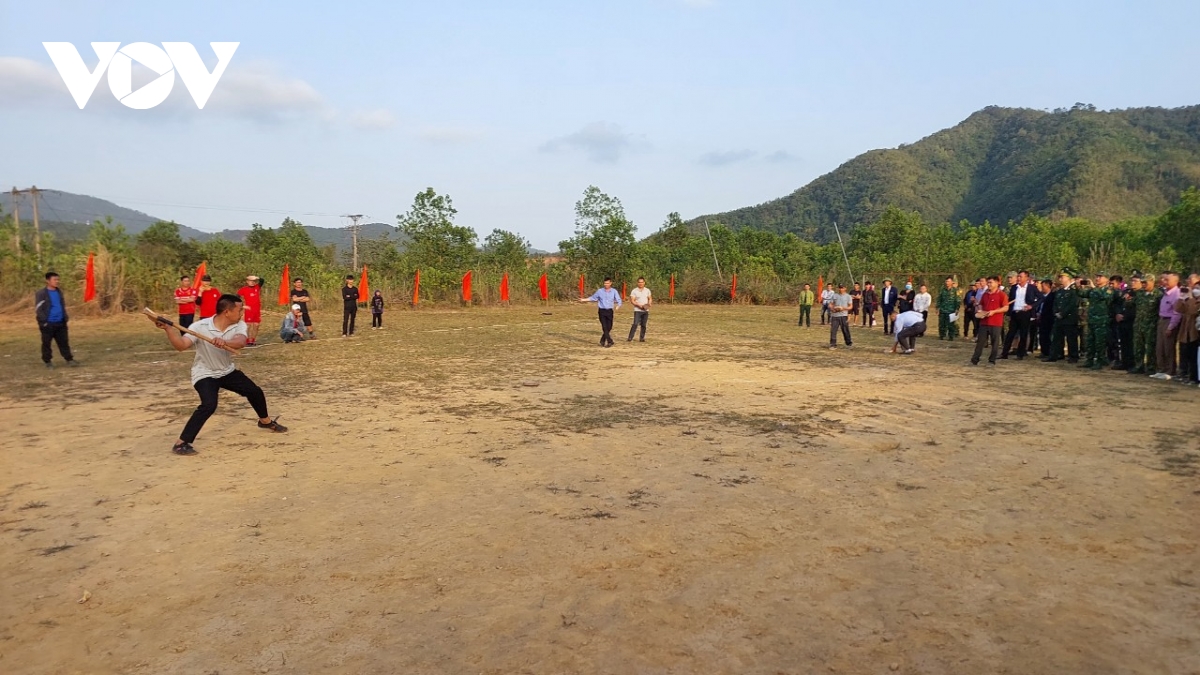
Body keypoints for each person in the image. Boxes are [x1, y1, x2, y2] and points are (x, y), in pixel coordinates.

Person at [149, 293, 287, 456]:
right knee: (209, 405)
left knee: (254, 391)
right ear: (227, 312)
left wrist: (225, 342)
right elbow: (181, 346)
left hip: (226, 371)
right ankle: (181, 443)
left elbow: (241, 341)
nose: (241, 313)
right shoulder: (199, 327)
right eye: (239, 309)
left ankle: (265, 421)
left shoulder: (239, 325)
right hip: (205, 373)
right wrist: (169, 329)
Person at [35, 271, 77, 369]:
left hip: (60, 322)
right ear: (48, 281)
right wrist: (44, 321)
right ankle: (47, 361)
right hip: (48, 323)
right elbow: (38, 309)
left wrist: (65, 317)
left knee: (64, 342)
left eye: (58, 279)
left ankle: (69, 359)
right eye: (55, 280)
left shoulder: (59, 292)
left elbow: (62, 305)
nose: (57, 281)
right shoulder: (41, 293)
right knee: (46, 343)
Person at [1000, 270, 1042, 360]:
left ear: (1027, 278)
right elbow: (1011, 299)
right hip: (1015, 313)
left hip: (1025, 313)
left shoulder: (1032, 288)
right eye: (1018, 276)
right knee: (1010, 334)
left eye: (1021, 276)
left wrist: (1032, 306)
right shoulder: (1014, 287)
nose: (1019, 278)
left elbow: (1041, 298)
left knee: (1023, 334)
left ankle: (1020, 354)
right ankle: (1004, 353)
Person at [1076, 272, 1114, 370]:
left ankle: (1100, 361)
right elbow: (1082, 294)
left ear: (1106, 279)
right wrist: (1078, 286)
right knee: (1090, 341)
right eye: (1096, 277)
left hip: (1101, 321)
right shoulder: (1092, 290)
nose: (1097, 278)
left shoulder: (1108, 289)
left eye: (1100, 277)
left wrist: (1094, 287)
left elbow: (1105, 297)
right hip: (1092, 320)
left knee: (1100, 342)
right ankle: (1089, 360)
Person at [971, 276, 1009, 366]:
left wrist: (994, 311)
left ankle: (992, 360)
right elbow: (981, 304)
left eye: (991, 282)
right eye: (988, 282)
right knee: (980, 342)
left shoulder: (1002, 295)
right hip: (984, 322)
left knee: (994, 342)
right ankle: (975, 359)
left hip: (996, 323)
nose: (989, 284)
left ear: (997, 283)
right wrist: (980, 310)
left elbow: (1006, 307)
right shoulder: (985, 294)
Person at [1151, 272, 1182, 380]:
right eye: (1164, 280)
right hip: (1161, 320)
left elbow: (1177, 313)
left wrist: (1171, 327)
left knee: (1168, 347)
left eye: (1167, 280)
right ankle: (1161, 369)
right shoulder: (1165, 292)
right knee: (1160, 347)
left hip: (1169, 321)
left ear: (1175, 282)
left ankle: (1170, 371)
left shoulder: (1177, 294)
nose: (1164, 282)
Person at [1047, 269, 1081, 363]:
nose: (1060, 279)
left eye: (1062, 277)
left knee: (1071, 339)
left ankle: (1073, 356)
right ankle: (1055, 355)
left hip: (1069, 318)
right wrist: (1056, 312)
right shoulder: (1060, 291)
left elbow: (1072, 304)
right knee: (1056, 338)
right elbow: (1055, 303)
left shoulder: (1074, 291)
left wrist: (1063, 313)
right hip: (1059, 318)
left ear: (1068, 278)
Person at [1130, 273, 1158, 375]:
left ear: (1152, 282)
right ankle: (1139, 366)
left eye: (1145, 282)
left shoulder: (1158, 294)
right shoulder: (1139, 293)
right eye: (1142, 282)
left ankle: (1151, 368)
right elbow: (1132, 304)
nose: (1143, 284)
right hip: (1138, 324)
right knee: (1138, 346)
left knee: (1150, 348)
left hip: (1150, 326)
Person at [581, 277, 622, 347]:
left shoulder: (614, 291)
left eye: (607, 283)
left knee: (609, 327)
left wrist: (618, 306)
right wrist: (584, 300)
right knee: (604, 327)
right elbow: (593, 298)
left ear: (610, 283)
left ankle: (602, 340)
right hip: (602, 311)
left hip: (609, 311)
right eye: (605, 283)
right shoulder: (600, 291)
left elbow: (619, 300)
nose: (606, 284)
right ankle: (610, 341)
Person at [1174, 275, 1199, 385]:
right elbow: (1179, 309)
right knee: (1185, 354)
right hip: (1186, 330)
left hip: (1195, 332)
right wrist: (1181, 297)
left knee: (1194, 356)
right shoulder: (1190, 298)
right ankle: (1186, 375)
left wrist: (1190, 299)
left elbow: (1193, 312)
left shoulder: (1195, 301)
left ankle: (1194, 377)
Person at [237, 275, 263, 346]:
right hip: (249, 310)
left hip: (257, 310)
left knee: (256, 325)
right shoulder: (244, 289)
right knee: (248, 325)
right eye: (250, 281)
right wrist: (242, 306)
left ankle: (253, 340)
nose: (252, 283)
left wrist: (256, 277)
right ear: (247, 282)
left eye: (253, 281)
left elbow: (262, 280)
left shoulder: (257, 287)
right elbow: (236, 297)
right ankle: (248, 340)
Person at [828, 284, 853, 349]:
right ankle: (833, 344)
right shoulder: (834, 295)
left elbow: (850, 306)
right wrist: (832, 308)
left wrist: (843, 308)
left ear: (845, 288)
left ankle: (848, 343)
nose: (841, 289)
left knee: (845, 330)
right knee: (833, 330)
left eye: (842, 288)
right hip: (835, 316)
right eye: (840, 288)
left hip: (843, 315)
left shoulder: (848, 296)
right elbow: (830, 304)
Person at [936, 276, 960, 341]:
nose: (947, 283)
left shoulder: (955, 290)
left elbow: (958, 300)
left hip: (952, 310)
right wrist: (937, 308)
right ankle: (942, 335)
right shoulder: (942, 290)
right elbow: (939, 299)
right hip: (943, 310)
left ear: (952, 282)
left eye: (948, 281)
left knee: (951, 324)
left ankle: (951, 336)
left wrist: (957, 309)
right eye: (946, 281)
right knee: (941, 324)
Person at [628, 277, 651, 342]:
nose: (641, 284)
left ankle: (642, 338)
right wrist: (639, 305)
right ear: (637, 283)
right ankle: (630, 337)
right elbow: (632, 301)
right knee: (635, 323)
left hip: (645, 310)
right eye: (639, 282)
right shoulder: (634, 291)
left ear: (644, 283)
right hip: (637, 310)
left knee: (643, 325)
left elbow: (650, 298)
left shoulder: (647, 290)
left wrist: (649, 304)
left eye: (642, 282)